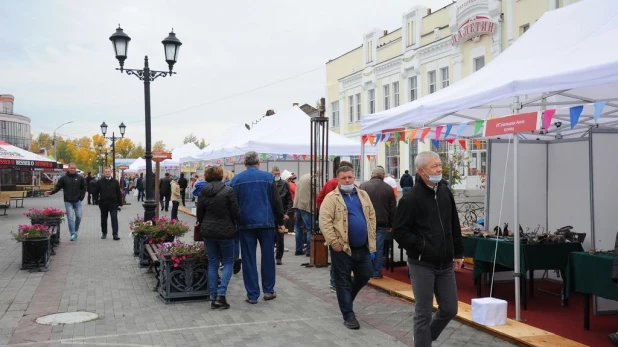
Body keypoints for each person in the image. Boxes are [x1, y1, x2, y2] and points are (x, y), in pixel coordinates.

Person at [393, 151, 464, 347]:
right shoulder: (410, 198)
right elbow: (399, 232)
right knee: (423, 312)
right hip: (422, 264)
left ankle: (424, 338)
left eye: (440, 165)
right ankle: (423, 341)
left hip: (445, 263)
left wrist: (458, 252)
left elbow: (454, 224)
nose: (439, 169)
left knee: (450, 309)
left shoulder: (444, 192)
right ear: (421, 171)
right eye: (434, 166)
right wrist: (423, 246)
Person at [319, 165, 376, 330]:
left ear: (354, 177)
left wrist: (370, 236)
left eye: (350, 177)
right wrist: (334, 243)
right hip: (342, 248)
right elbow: (325, 222)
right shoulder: (331, 198)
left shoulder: (363, 195)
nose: (347, 180)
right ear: (338, 179)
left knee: (365, 275)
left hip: (363, 247)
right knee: (342, 281)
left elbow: (371, 216)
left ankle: (346, 299)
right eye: (344, 178)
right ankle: (349, 316)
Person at [231, 151, 285, 304]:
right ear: (258, 162)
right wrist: (280, 221)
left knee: (248, 259)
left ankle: (252, 294)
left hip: (245, 224)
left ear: (245, 164)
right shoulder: (268, 178)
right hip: (266, 223)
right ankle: (268, 290)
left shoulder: (236, 180)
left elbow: (233, 205)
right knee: (268, 257)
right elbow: (277, 201)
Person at [197, 166, 240, 310]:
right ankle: (221, 294)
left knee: (213, 263)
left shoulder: (203, 191)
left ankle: (213, 297)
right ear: (221, 175)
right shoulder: (229, 191)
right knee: (228, 261)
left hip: (208, 231)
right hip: (226, 231)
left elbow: (199, 214)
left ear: (207, 176)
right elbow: (235, 213)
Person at [359, 167, 396, 279]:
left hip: (366, 221)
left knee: (366, 246)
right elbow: (393, 209)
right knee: (379, 248)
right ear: (383, 176)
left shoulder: (363, 187)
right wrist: (391, 224)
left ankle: (366, 270)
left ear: (372, 174)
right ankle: (376, 272)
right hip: (382, 222)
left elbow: (358, 205)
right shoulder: (388, 189)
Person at [45, 163, 86, 241]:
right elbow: (58, 186)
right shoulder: (64, 178)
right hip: (68, 201)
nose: (72, 169)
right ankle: (73, 233)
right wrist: (51, 192)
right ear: (68, 168)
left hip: (77, 201)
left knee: (79, 216)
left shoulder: (80, 178)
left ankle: (76, 230)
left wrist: (81, 197)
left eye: (74, 168)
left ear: (76, 168)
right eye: (71, 168)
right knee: (70, 217)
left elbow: (84, 187)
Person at [271, 166, 292, 265]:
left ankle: (279, 257)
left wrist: (287, 213)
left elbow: (289, 200)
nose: (277, 176)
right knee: (271, 236)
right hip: (271, 214)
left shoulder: (284, 184)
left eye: (278, 174)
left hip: (281, 214)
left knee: (280, 237)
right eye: (275, 174)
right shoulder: (269, 183)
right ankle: (270, 256)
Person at [95, 167, 123, 240]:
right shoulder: (100, 182)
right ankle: (104, 233)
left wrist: (120, 204)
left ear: (111, 172)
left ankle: (115, 234)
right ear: (104, 173)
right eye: (106, 172)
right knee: (104, 219)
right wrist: (97, 201)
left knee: (114, 218)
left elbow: (118, 193)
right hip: (103, 203)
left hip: (113, 203)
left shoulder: (115, 182)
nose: (107, 173)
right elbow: (96, 192)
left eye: (108, 171)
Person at [293, 171, 316, 257]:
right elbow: (317, 193)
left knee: (298, 228)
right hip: (306, 206)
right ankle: (309, 251)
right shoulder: (313, 179)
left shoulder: (303, 176)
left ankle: (298, 249)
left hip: (297, 204)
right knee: (310, 228)